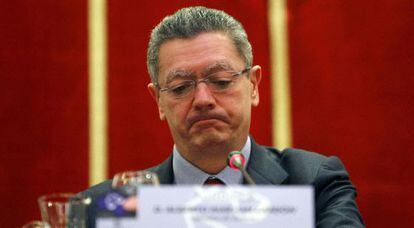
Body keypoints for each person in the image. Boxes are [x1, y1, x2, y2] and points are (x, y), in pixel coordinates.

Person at [80, 6, 365, 227]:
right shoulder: (108, 208)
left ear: (253, 86)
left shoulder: (315, 183)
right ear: (159, 102)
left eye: (221, 82)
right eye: (180, 87)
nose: (203, 100)